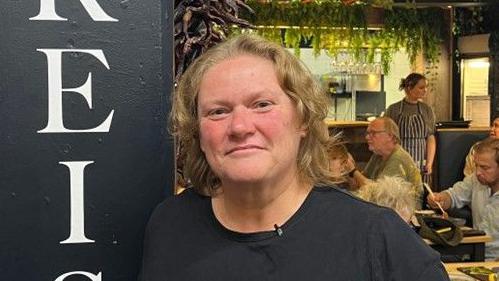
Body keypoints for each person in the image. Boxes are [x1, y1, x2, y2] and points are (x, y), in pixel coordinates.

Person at [140, 34, 449, 280]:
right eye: (218, 111)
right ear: (197, 132)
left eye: (261, 104)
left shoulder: (377, 238)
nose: (240, 126)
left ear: (303, 120)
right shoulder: (169, 225)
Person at [428, 137, 499, 260]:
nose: (477, 172)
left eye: (484, 167)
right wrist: (440, 199)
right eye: (476, 166)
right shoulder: (476, 180)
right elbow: (454, 195)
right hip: (472, 254)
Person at [347, 117, 423, 204]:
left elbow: (377, 193)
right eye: (368, 133)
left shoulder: (398, 158)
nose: (367, 137)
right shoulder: (378, 155)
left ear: (390, 136)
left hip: (405, 212)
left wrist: (353, 171)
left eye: (373, 133)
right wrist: (348, 170)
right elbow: (360, 185)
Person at [386, 73, 436, 184]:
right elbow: (387, 137)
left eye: (426, 87)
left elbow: (430, 138)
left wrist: (429, 163)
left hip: (421, 163)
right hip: (398, 160)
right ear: (409, 88)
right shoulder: (393, 109)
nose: (425, 90)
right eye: (421, 87)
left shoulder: (427, 110)